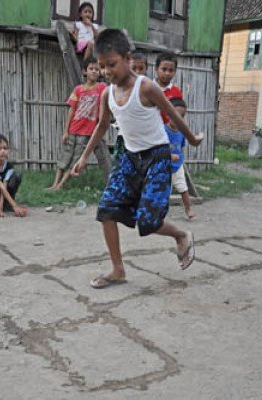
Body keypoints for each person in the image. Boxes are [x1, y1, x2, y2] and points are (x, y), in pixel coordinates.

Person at [71, 29, 204, 289]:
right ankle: (118, 269)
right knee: (107, 210)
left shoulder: (146, 86)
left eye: (112, 64)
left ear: (127, 58)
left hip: (157, 158)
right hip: (130, 158)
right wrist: (84, 156)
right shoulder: (107, 94)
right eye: (102, 66)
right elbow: (101, 125)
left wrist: (191, 138)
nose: (107, 71)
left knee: (148, 221)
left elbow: (172, 115)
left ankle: (180, 234)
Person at [48, 57, 108, 191]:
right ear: (84, 71)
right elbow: (71, 110)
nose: (94, 72)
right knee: (64, 156)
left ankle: (60, 185)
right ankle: (54, 183)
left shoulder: (101, 87)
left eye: (97, 69)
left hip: (87, 132)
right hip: (73, 129)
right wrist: (65, 131)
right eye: (91, 69)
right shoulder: (78, 89)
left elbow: (110, 88)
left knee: (76, 159)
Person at [166, 97, 195, 220]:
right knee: (165, 192)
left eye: (181, 116)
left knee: (183, 188)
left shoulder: (182, 132)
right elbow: (158, 150)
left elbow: (181, 147)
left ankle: (188, 209)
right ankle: (162, 212)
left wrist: (178, 158)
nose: (178, 119)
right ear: (168, 114)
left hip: (178, 167)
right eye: (175, 115)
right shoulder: (163, 131)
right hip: (164, 167)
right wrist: (169, 155)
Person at [154, 52, 184, 125]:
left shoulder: (176, 92)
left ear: (175, 71)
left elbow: (179, 114)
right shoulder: (148, 88)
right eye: (164, 69)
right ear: (156, 69)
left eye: (171, 70)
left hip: (168, 132)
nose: (167, 73)